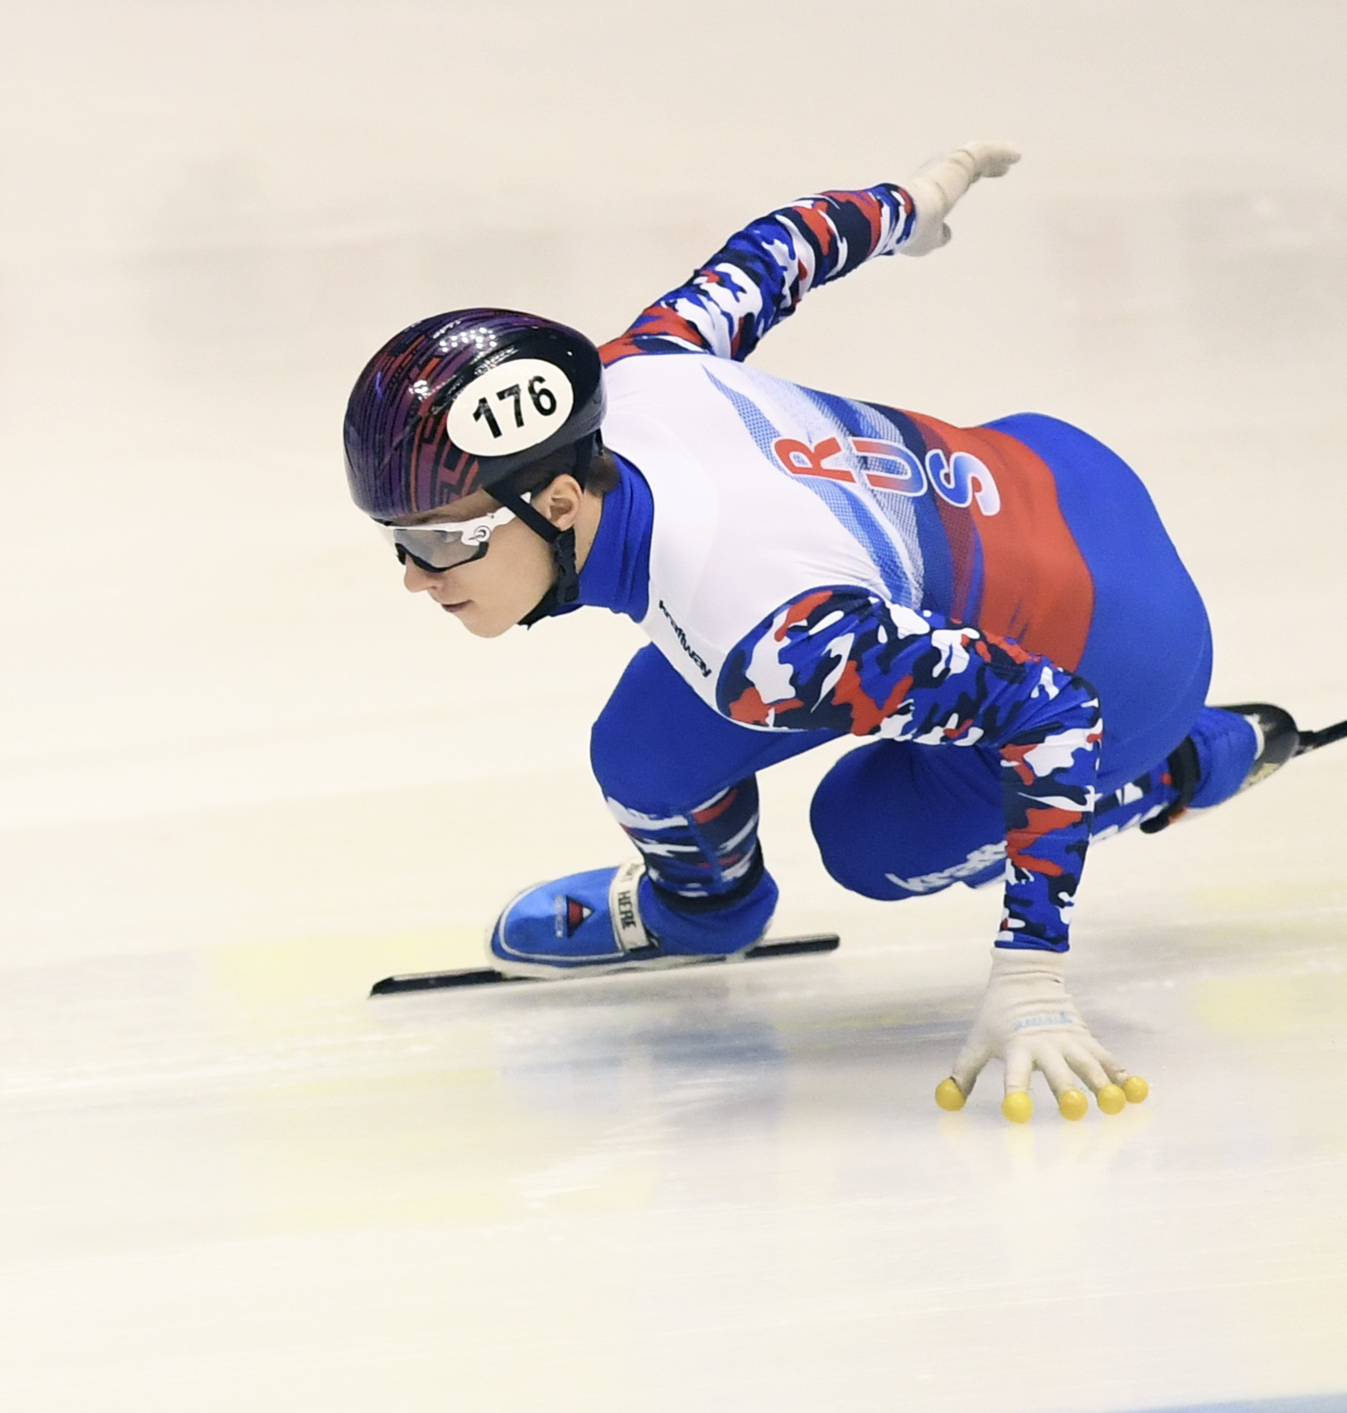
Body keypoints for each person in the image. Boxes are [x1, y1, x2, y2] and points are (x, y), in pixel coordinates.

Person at [341, 143, 1321, 1123]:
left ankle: (1178, 762)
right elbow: (772, 257)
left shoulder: (766, 643)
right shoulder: (632, 373)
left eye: (442, 540)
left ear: (558, 497)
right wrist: (910, 204)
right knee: (640, 754)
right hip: (1041, 475)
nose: (412, 577)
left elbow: (1048, 712)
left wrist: (1031, 970)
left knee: (865, 842)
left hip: (1119, 659)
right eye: (394, 539)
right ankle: (705, 911)